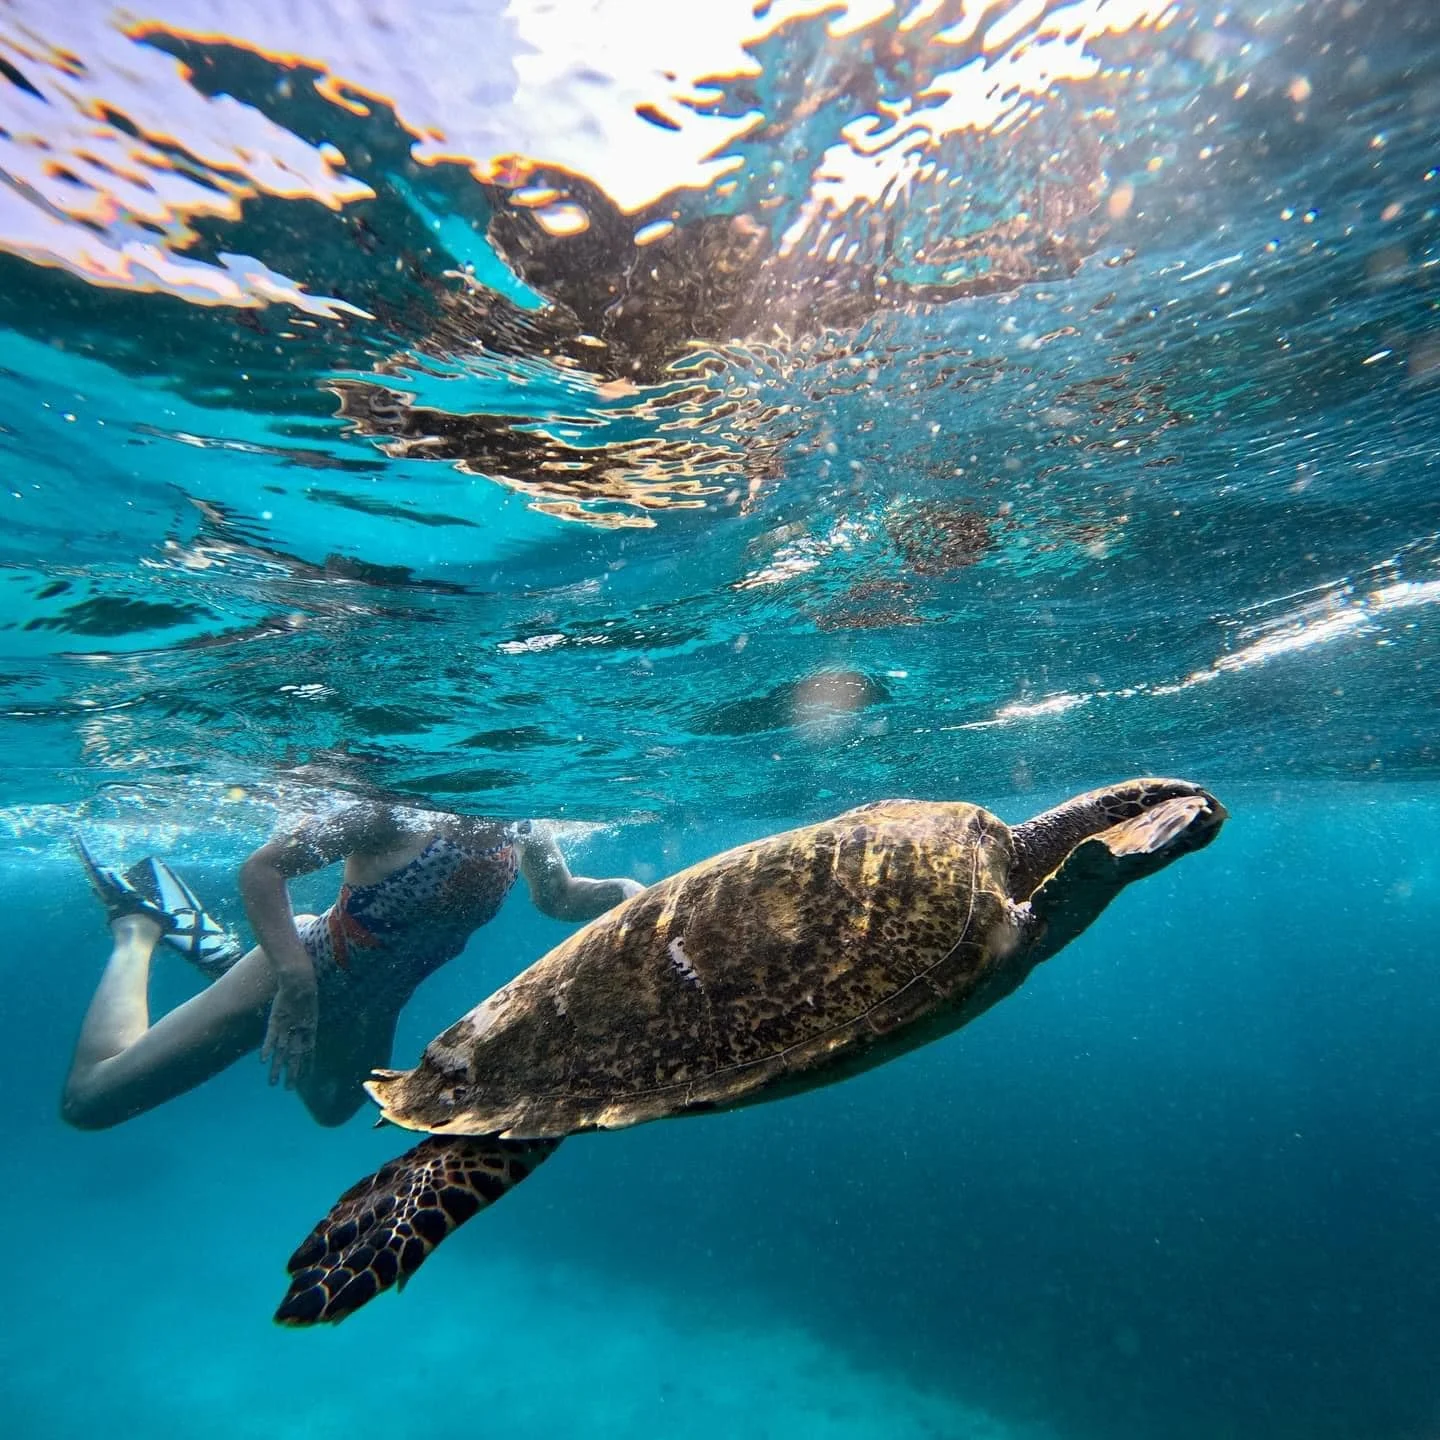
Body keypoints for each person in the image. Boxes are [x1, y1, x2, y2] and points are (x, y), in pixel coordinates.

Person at [61, 802, 644, 1130]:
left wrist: (623, 891)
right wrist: (294, 983)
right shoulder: (395, 816)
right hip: (302, 973)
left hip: (372, 1003)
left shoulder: (522, 822)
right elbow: (262, 869)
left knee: (334, 1109)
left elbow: (558, 896)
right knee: (90, 1102)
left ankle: (216, 952)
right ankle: (137, 929)